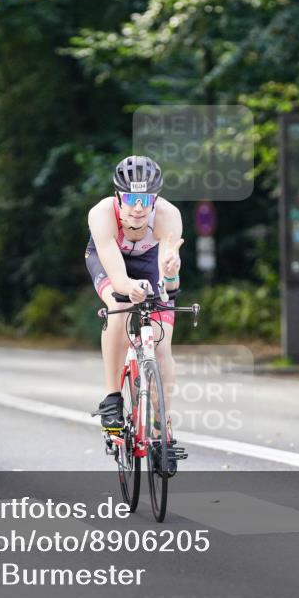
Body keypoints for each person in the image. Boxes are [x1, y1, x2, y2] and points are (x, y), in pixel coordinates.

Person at [85, 156, 184, 445]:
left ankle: (160, 423)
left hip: (151, 264)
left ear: (156, 198)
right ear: (118, 196)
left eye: (146, 198)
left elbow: (170, 288)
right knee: (118, 307)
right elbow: (118, 280)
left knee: (162, 346)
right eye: (130, 198)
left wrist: (169, 275)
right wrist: (129, 287)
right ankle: (113, 399)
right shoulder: (101, 214)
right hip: (109, 262)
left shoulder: (168, 216)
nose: (138, 207)